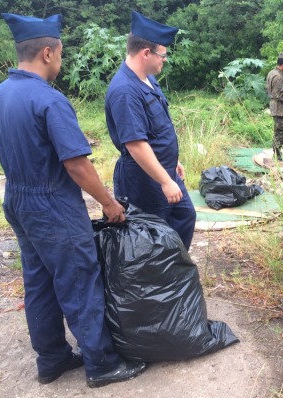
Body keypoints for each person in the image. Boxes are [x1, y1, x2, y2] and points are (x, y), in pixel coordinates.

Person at [0, 13, 146, 388]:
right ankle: (102, 364)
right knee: (78, 278)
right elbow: (76, 165)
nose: (61, 61)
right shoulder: (48, 99)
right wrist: (108, 202)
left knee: (39, 279)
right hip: (52, 203)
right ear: (46, 52)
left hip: (18, 199)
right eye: (60, 54)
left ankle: (52, 359)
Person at [105, 11, 196, 250]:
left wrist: (173, 161)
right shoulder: (125, 90)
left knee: (185, 216)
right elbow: (136, 145)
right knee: (153, 236)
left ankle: (174, 272)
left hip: (165, 170)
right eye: (162, 55)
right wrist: (165, 181)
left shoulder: (148, 79)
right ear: (146, 53)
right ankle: (157, 282)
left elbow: (158, 128)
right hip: (145, 179)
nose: (164, 60)